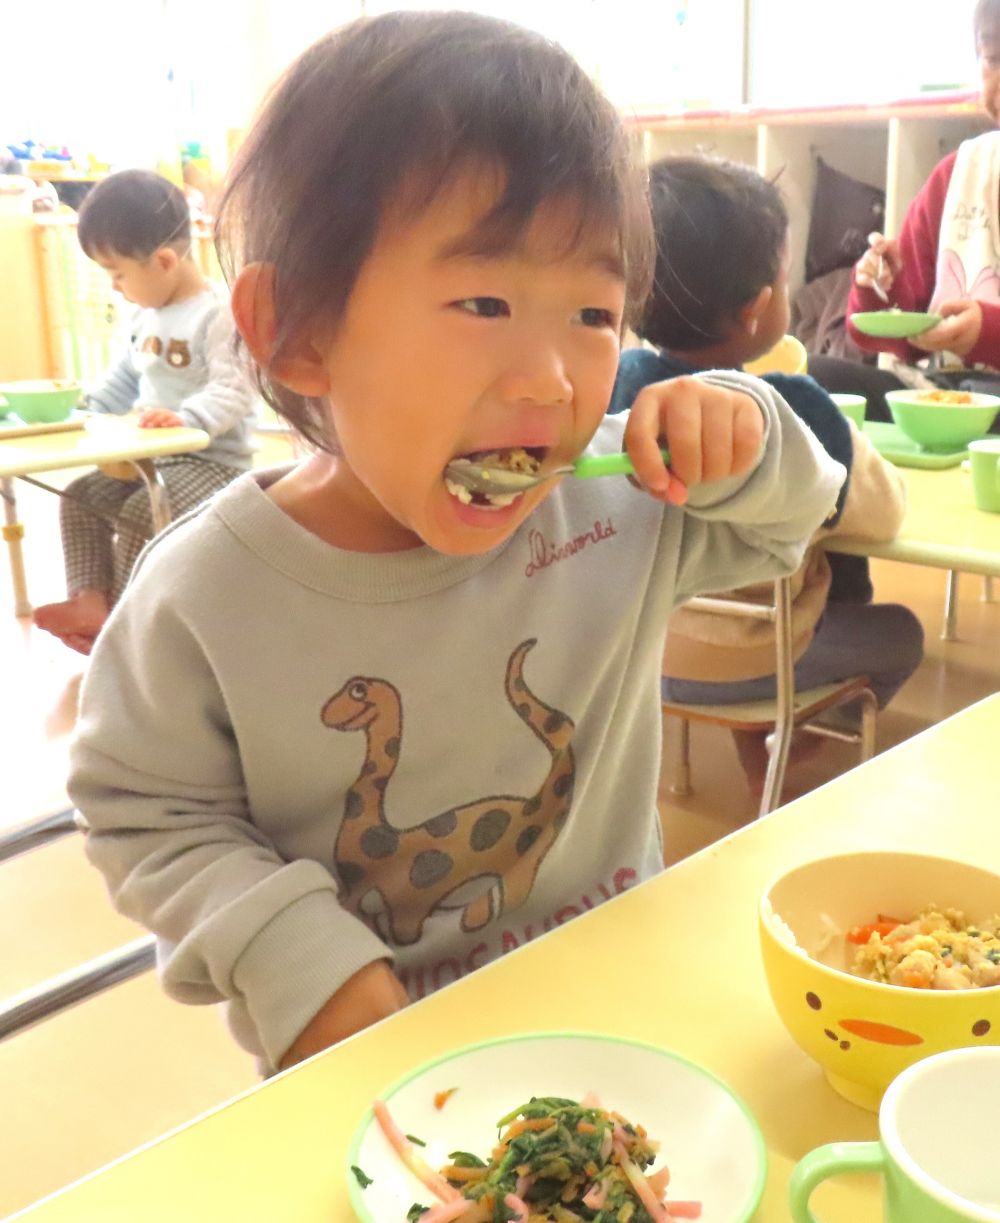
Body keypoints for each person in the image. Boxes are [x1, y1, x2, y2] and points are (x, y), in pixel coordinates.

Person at [69, 12, 844, 1075]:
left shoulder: (618, 501)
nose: (555, 380)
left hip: (623, 999)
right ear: (297, 333)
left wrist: (744, 433)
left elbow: (788, 522)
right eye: (483, 300)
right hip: (373, 1060)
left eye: (592, 312)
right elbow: (142, 806)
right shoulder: (208, 591)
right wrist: (297, 956)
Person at [610, 155, 923, 791]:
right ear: (758, 308)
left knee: (736, 574)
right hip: (756, 661)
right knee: (901, 631)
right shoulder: (793, 411)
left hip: (634, 656)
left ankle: (758, 754)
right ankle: (791, 746)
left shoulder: (613, 394)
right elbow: (885, 510)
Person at [31, 170, 258, 654]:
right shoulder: (144, 316)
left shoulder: (219, 314)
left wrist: (189, 418)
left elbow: (236, 388)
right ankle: (92, 601)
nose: (115, 287)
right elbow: (126, 379)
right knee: (80, 494)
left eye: (118, 273)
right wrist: (81, 405)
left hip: (212, 463)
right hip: (152, 461)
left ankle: (132, 622)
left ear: (164, 261)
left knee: (141, 510)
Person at [846, 0, 1000, 399]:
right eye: (994, 59)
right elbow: (906, 337)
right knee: (808, 385)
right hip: (950, 393)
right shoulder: (959, 173)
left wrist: (986, 332)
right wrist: (882, 289)